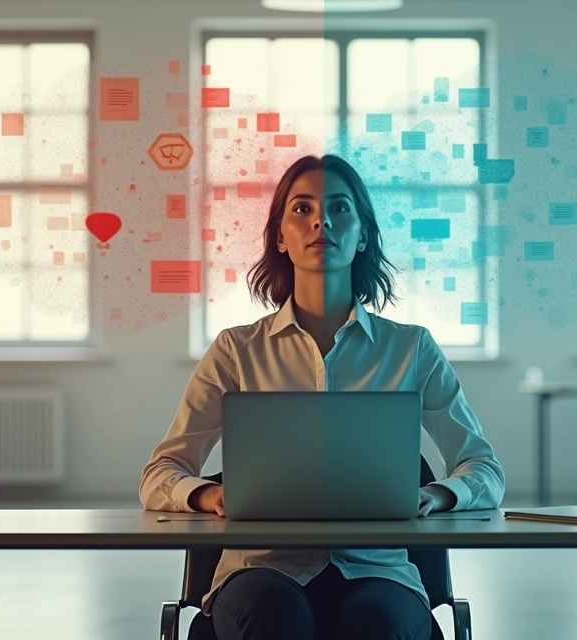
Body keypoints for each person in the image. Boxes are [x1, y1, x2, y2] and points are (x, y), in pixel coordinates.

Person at [139, 155, 505, 640]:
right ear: (280, 236)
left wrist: (436, 494)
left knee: (375, 624)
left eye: (339, 209)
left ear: (363, 234)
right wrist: (209, 494)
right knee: (274, 616)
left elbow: (484, 470)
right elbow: (159, 475)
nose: (321, 222)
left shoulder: (411, 349)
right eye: (302, 209)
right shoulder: (235, 351)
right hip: (260, 571)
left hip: (379, 573)